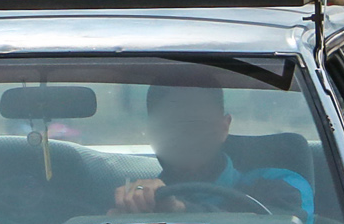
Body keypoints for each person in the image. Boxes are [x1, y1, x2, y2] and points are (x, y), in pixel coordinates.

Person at [113, 86, 314, 217]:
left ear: (223, 127)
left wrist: (178, 210)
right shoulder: (135, 200)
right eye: (168, 125)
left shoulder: (282, 185)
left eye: (196, 124)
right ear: (151, 132)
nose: (183, 135)